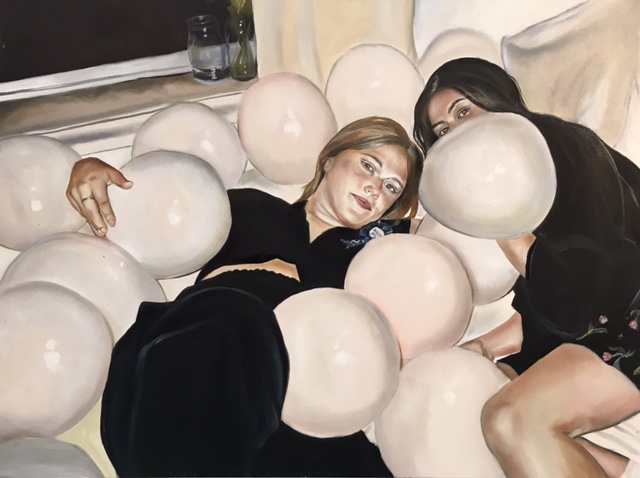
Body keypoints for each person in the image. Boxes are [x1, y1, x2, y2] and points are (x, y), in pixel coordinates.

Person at [66, 116, 423, 477]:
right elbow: (143, 210)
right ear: (329, 159)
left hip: (285, 405)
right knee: (239, 319)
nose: (375, 189)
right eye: (368, 166)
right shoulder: (248, 206)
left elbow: (450, 219)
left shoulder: (373, 255)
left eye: (392, 188)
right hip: (187, 360)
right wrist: (89, 169)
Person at [413, 57, 640, 478]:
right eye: (443, 131)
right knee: (473, 400)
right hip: (606, 324)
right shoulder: (511, 190)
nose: (456, 134)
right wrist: (486, 349)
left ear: (496, 100)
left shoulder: (562, 146)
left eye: (463, 112)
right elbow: (546, 307)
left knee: (510, 419)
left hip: (628, 318)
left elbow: (587, 299)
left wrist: (506, 230)